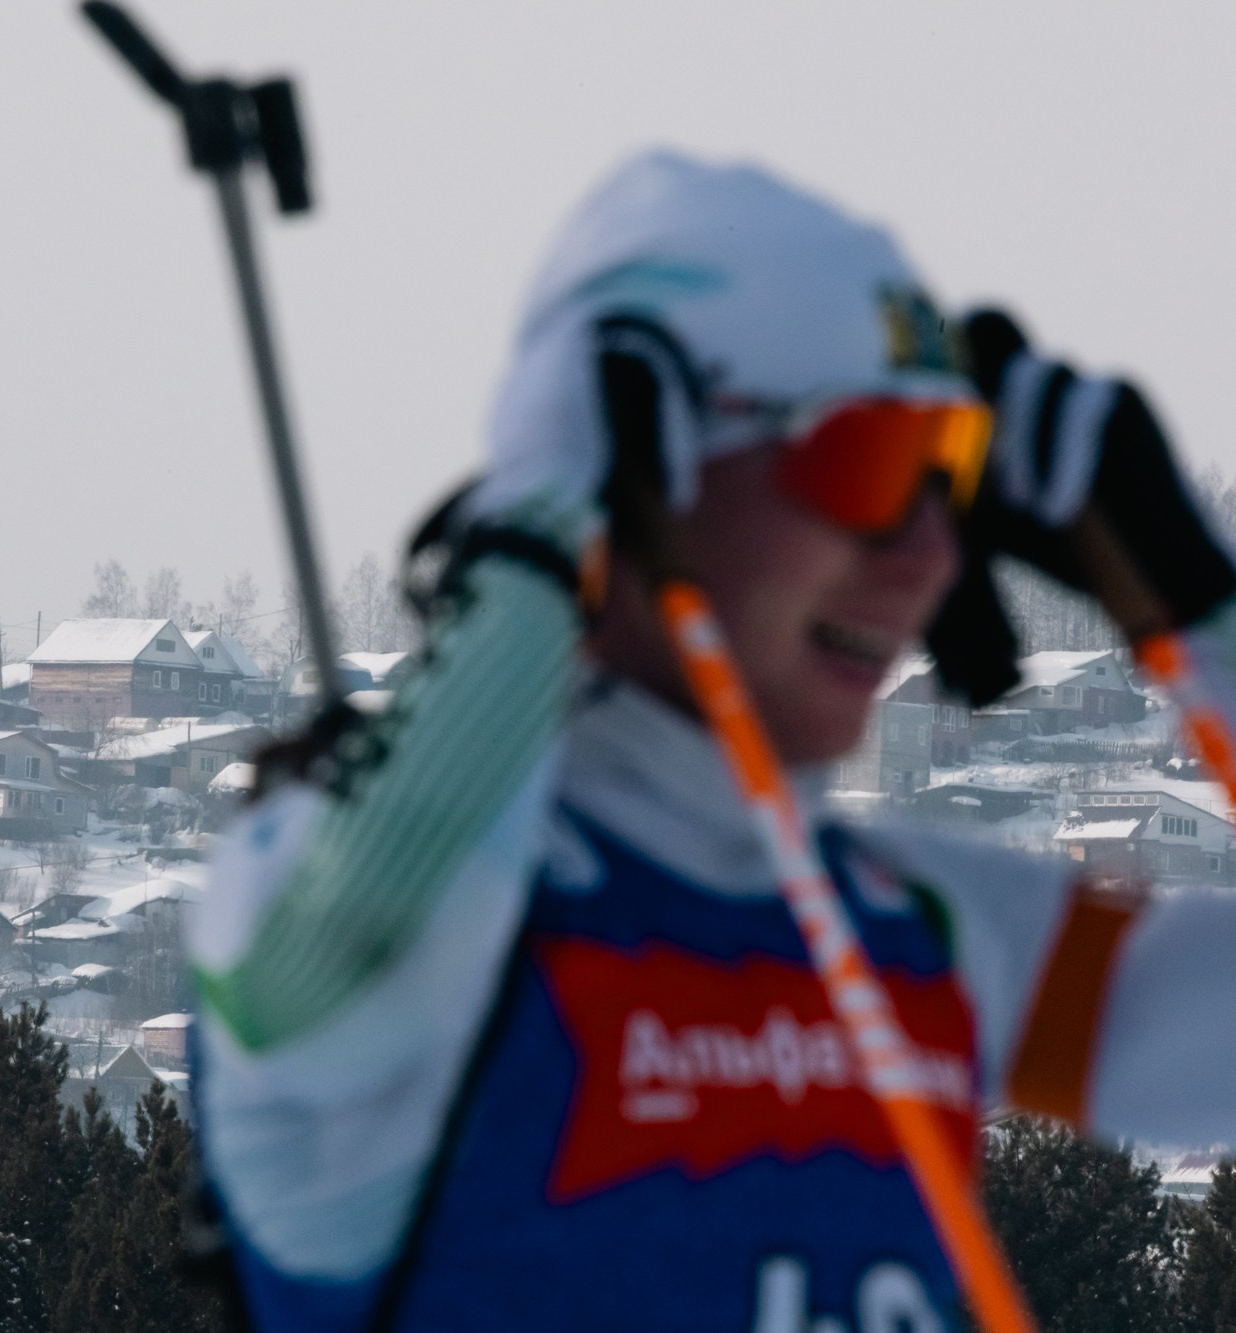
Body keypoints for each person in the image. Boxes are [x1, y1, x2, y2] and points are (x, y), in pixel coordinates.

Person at [186, 150, 1236, 1331]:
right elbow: (323, 962)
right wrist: (539, 511)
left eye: (951, 477)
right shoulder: (405, 911)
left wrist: (1196, 606)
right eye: (871, 460)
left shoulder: (909, 925)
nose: (930, 559)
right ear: (637, 472)